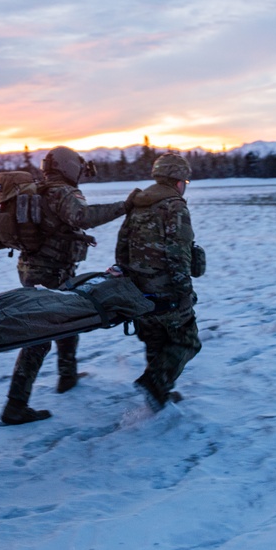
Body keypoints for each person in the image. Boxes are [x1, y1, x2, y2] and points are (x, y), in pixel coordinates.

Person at [0, 146, 137, 425]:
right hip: (49, 272)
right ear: (69, 167)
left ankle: (67, 376)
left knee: (68, 321)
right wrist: (125, 206)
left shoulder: (42, 189)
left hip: (34, 267)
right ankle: (15, 405)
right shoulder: (62, 192)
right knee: (39, 337)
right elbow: (82, 217)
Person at [115, 152, 202, 411]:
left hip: (138, 289)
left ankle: (159, 395)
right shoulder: (175, 206)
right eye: (185, 182)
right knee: (187, 339)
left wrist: (130, 280)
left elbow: (121, 247)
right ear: (178, 181)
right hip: (165, 290)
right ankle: (155, 384)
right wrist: (183, 291)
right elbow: (178, 254)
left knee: (155, 340)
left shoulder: (138, 204)